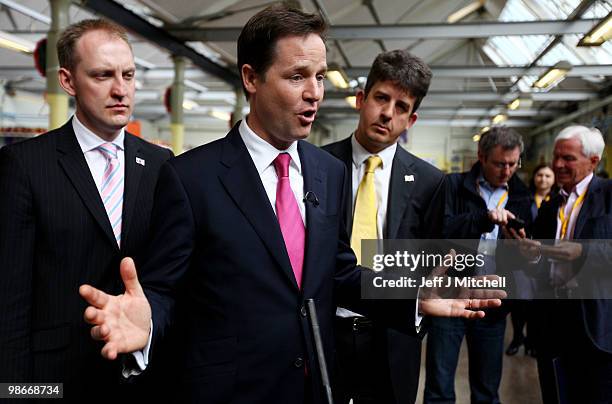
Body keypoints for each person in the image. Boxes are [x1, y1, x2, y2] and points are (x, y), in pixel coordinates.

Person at [77, 5, 504, 403]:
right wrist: (146, 320)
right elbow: (167, 289)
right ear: (251, 77)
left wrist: (410, 294)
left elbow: (336, 271)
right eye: (297, 76)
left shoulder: (327, 172)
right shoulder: (191, 177)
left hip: (315, 386)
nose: (315, 93)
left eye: (320, 76)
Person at [0, 19, 172, 399]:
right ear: (67, 80)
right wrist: (17, 393)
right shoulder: (26, 166)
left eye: (128, 75)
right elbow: (9, 301)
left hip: (141, 378)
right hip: (56, 382)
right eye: (102, 75)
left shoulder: (162, 166)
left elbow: (170, 279)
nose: (120, 89)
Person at [322, 49, 444, 404]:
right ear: (361, 99)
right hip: (327, 333)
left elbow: (429, 262)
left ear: (411, 120)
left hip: (394, 338)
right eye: (381, 98)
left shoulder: (429, 182)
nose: (388, 113)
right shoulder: (317, 166)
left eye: (401, 107)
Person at [424, 127, 532, 404]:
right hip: (450, 296)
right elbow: (442, 229)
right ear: (481, 157)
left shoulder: (521, 196)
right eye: (499, 163)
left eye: (513, 163)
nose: (507, 170)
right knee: (439, 387)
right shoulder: (453, 186)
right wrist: (484, 220)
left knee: (487, 389)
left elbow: (526, 256)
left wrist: (523, 250)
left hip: (492, 303)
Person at [514, 125, 612, 404]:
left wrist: (583, 252)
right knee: (557, 395)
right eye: (556, 157)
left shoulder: (608, 197)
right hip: (552, 320)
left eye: (568, 158)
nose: (558, 164)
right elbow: (539, 268)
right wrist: (531, 255)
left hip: (596, 322)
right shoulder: (550, 204)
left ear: (593, 161)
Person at [506, 163, 556, 356]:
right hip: (522, 256)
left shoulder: (559, 201)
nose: (543, 179)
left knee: (538, 303)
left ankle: (533, 341)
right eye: (540, 175)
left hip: (548, 259)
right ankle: (518, 337)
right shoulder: (524, 199)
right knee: (519, 301)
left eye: (548, 176)